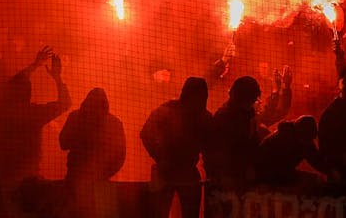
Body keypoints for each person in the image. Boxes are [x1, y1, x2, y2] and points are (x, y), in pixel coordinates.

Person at [0, 46, 71, 187]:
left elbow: (15, 82)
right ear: (29, 94)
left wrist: (35, 65)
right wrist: (57, 78)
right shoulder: (33, 113)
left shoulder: (2, 109)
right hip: (29, 176)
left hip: (5, 173)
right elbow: (65, 103)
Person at [140, 77, 210, 218]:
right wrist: (161, 157)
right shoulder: (168, 111)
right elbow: (146, 133)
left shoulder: (202, 117)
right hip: (170, 171)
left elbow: (211, 146)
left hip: (181, 171)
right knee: (159, 213)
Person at [59, 88, 125, 218]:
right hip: (94, 182)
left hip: (79, 180)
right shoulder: (114, 123)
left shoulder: (76, 117)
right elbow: (120, 157)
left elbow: (63, 143)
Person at [204, 76, 263, 193]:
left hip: (240, 174)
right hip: (226, 176)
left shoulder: (248, 113)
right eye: (252, 99)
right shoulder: (224, 117)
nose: (254, 102)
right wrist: (217, 175)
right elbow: (213, 150)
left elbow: (250, 141)